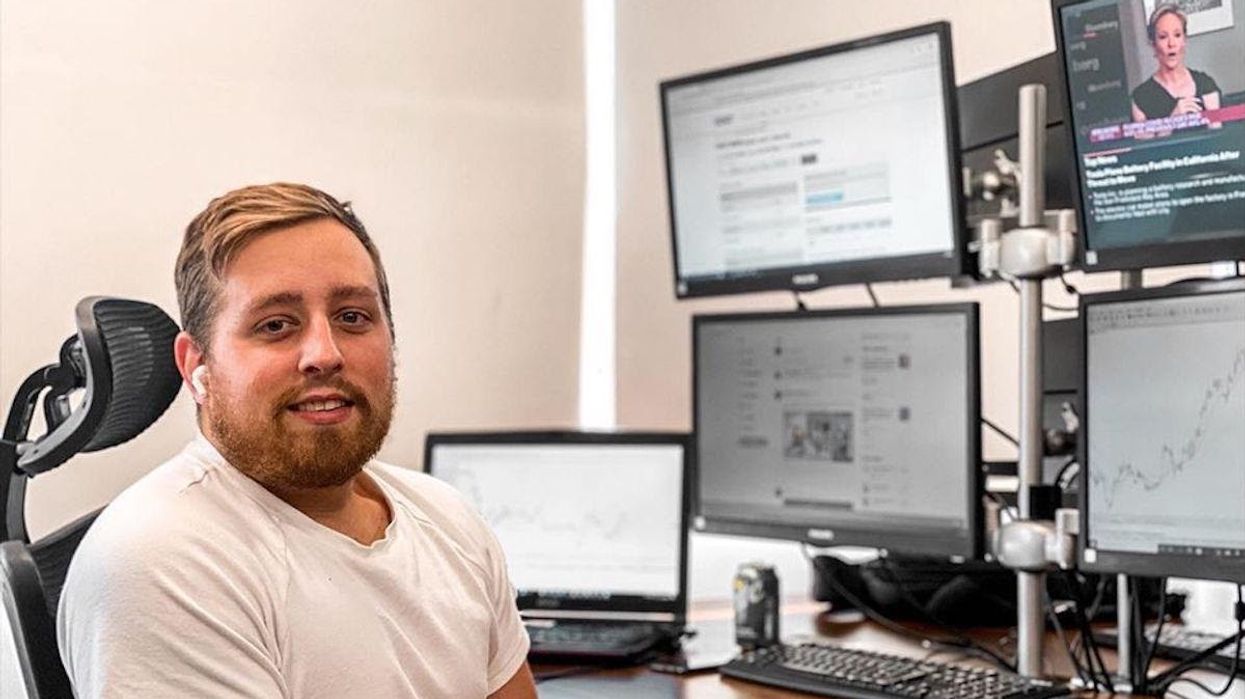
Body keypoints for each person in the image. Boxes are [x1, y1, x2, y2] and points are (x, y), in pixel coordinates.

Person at [57, 183, 536, 698]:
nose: (324, 354)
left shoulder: (447, 517)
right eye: (276, 325)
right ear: (197, 365)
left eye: (352, 317)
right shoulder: (160, 560)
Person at [1131, 3, 1221, 122]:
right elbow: (1146, 140)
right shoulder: (1141, 97)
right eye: (1163, 37)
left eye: (1177, 35)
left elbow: (1219, 136)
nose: (1171, 44)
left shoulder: (1206, 84)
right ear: (1153, 45)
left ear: (1184, 40)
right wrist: (1173, 120)